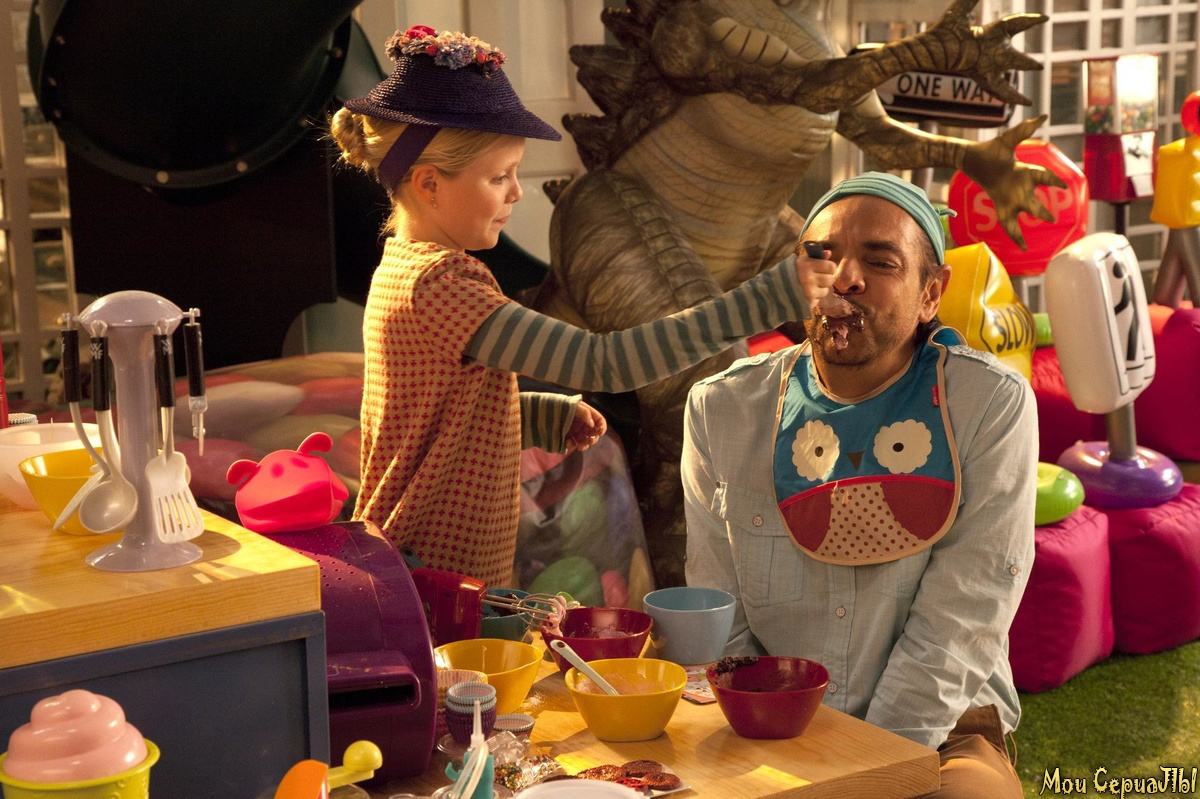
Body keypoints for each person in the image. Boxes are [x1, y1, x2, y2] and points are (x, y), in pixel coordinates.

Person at [330, 25, 834, 587]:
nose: (517, 191)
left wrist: (539, 416)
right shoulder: (444, 284)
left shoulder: (404, 268)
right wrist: (767, 298)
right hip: (430, 577)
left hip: (426, 568)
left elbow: (431, 417)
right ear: (429, 185)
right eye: (499, 177)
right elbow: (604, 362)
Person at [682, 172, 1035, 798]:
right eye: (822, 256)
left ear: (931, 293)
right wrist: (766, 726)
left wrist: (863, 773)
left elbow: (964, 617)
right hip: (771, 721)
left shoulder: (988, 403)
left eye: (880, 261)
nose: (844, 278)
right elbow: (718, 607)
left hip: (942, 732)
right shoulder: (722, 408)